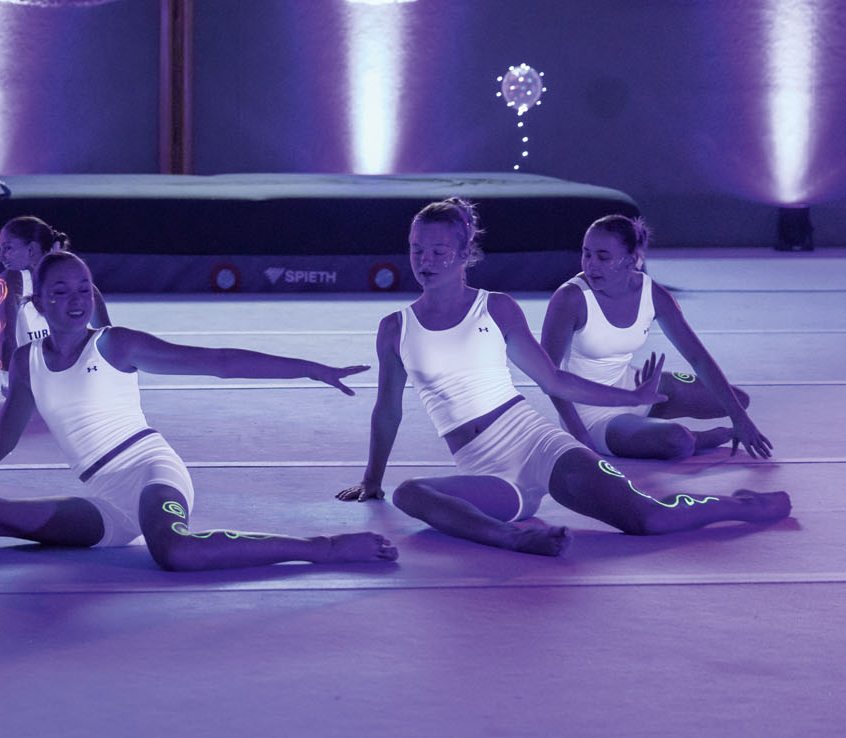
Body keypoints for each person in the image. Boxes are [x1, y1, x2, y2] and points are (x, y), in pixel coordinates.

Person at [0, 251, 397, 580]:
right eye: (61, 292)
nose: (76, 301)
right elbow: (1, 437)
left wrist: (311, 369)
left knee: (174, 552)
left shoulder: (115, 344)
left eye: (84, 289)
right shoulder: (28, 362)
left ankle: (322, 547)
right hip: (102, 499)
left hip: (149, 470)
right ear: (39, 302)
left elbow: (219, 362)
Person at [336, 199, 789, 556]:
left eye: (439, 251)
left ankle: (742, 504)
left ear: (465, 254)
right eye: (417, 249)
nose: (425, 260)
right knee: (410, 494)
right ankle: (514, 537)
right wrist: (372, 480)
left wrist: (631, 397)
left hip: (537, 444)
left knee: (648, 519)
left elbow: (555, 381)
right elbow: (388, 411)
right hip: (483, 469)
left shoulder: (496, 309)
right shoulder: (396, 328)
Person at [539, 214, 771, 461]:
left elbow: (698, 358)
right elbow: (548, 375)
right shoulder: (570, 299)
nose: (591, 265)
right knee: (678, 441)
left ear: (631, 259)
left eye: (603, 257)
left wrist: (740, 418)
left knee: (738, 401)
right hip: (589, 412)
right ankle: (702, 437)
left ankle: (647, 424)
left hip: (637, 388)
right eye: (586, 254)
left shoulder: (653, 294)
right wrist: (580, 436)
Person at [0, 215, 110, 393]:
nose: (0, 257)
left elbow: (7, 336)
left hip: (36, 384)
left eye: (7, 248)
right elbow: (108, 336)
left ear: (31, 250)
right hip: (80, 381)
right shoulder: (84, 285)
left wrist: (9, 384)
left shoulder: (12, 278)